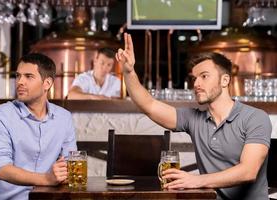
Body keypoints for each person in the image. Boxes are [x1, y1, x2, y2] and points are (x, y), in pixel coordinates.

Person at [116, 33, 272, 200]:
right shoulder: (193, 118)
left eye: (204, 76)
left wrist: (196, 180)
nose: (196, 84)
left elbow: (248, 171)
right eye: (194, 78)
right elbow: (149, 106)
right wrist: (129, 72)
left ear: (225, 80)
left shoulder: (255, 117)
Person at [0, 53, 77, 200]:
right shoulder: (1, 115)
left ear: (47, 83)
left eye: (28, 76)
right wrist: (46, 179)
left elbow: (71, 165)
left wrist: (64, 174)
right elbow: (1, 169)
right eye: (18, 76)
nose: (20, 82)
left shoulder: (64, 118)